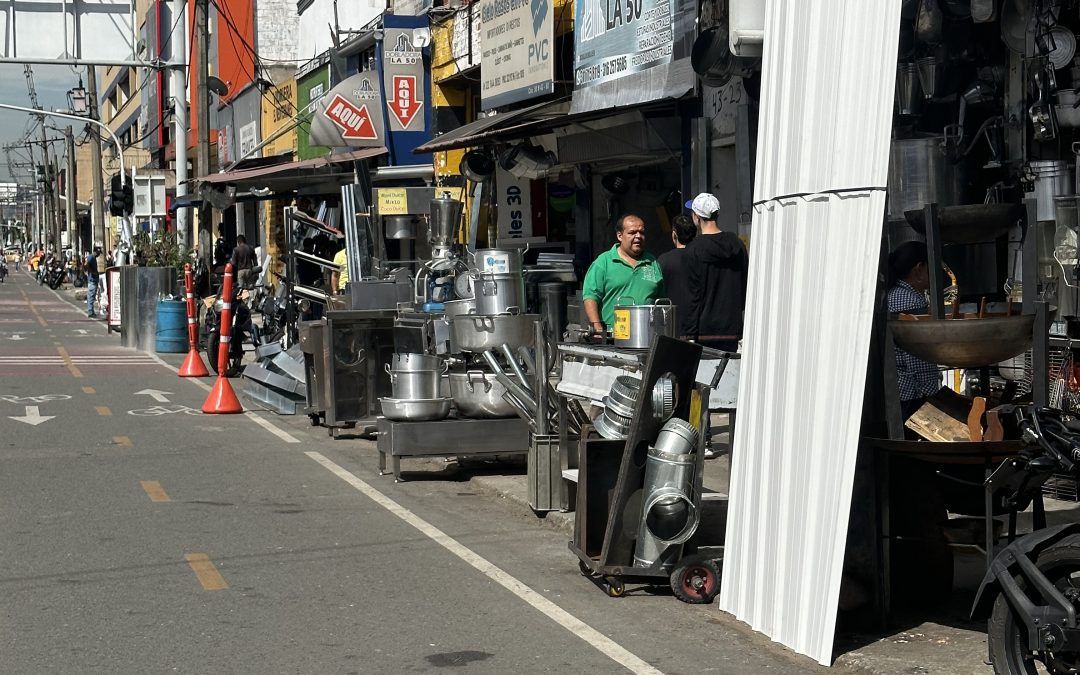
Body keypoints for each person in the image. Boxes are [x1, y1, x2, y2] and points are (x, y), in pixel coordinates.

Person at [683, 193, 748, 351]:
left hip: (703, 331)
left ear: (696, 217)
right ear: (717, 214)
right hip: (732, 328)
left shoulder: (693, 250)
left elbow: (693, 296)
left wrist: (688, 335)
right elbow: (745, 284)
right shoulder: (737, 244)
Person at [582, 213, 665, 332]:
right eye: (632, 232)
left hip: (647, 335)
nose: (638, 236)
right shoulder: (604, 262)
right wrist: (597, 327)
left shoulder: (652, 262)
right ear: (620, 236)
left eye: (642, 232)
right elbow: (590, 297)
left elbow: (661, 300)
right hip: (613, 336)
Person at [887, 241, 943, 419]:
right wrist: (932, 396)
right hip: (912, 395)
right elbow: (918, 355)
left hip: (900, 391)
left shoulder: (895, 293)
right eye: (931, 267)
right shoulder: (909, 300)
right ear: (918, 268)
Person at [657, 214, 697, 336]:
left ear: (674, 234)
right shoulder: (700, 258)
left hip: (671, 324)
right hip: (696, 324)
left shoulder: (663, 260)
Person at [85, 246, 102, 318]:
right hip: (92, 280)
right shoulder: (91, 257)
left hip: (94, 279)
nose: (99, 254)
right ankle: (90, 311)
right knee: (91, 296)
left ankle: (91, 311)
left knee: (93, 296)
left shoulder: (93, 258)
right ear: (95, 251)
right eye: (98, 252)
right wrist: (91, 272)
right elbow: (86, 265)